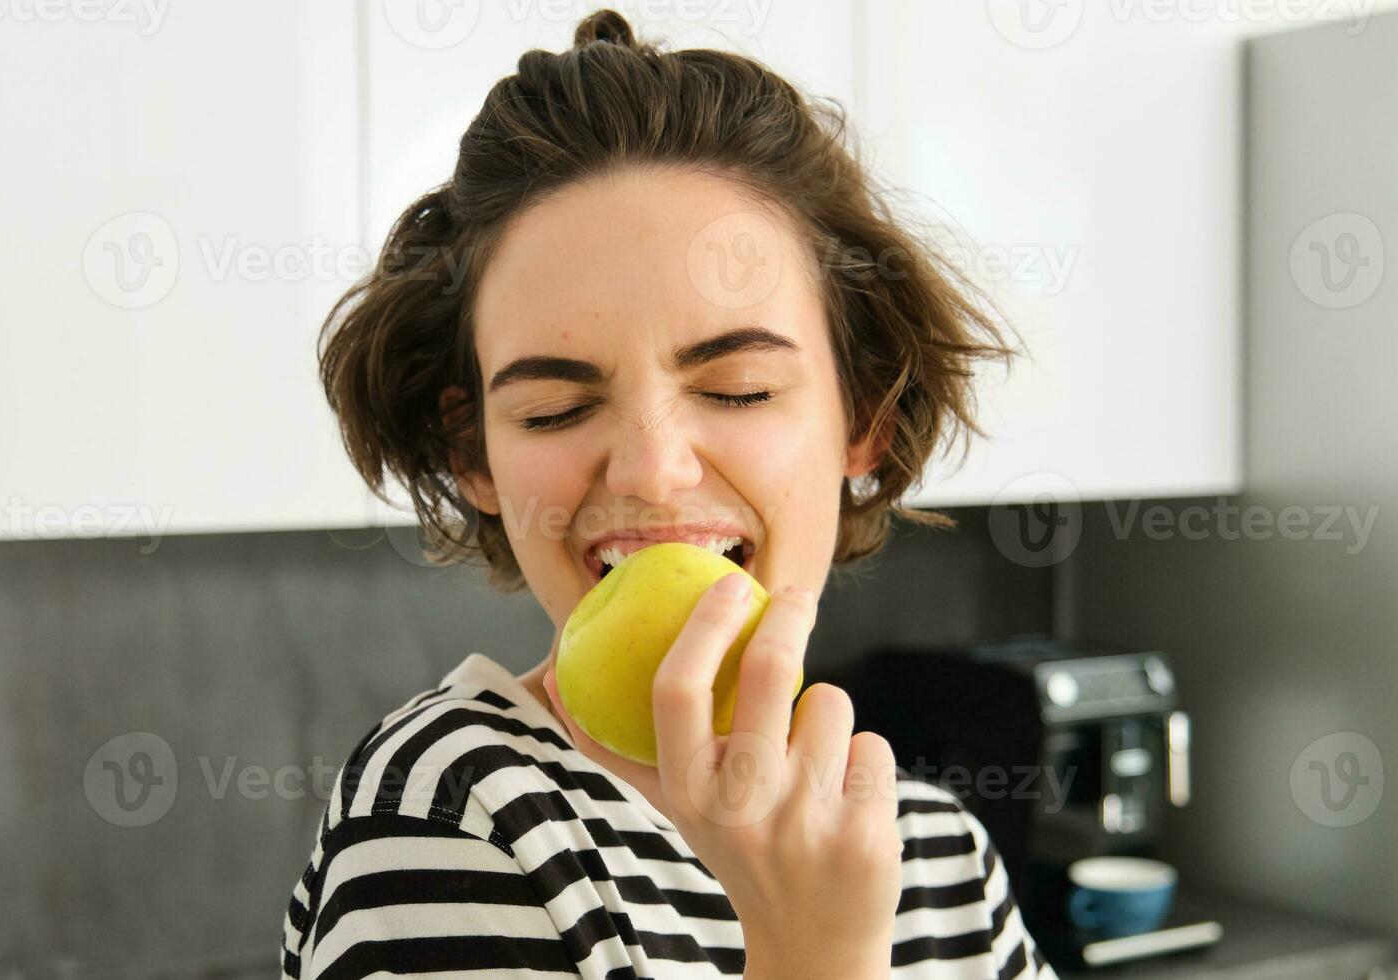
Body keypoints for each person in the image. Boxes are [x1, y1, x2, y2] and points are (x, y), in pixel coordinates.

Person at [287, 9, 1051, 978]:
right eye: (557, 408)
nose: (650, 470)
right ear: (471, 450)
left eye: (736, 389)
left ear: (865, 417)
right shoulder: (446, 813)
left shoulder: (935, 847)